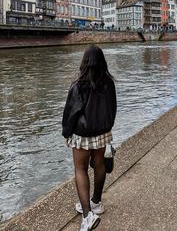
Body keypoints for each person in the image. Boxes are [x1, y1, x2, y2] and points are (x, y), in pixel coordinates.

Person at [62, 44, 117, 231]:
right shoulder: (109, 83)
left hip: (82, 134)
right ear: (102, 61)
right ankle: (96, 203)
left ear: (84, 62)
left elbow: (71, 112)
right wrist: (108, 127)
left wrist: (66, 132)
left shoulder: (79, 84)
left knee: (80, 168)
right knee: (99, 164)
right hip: (102, 132)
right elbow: (113, 109)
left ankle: (87, 216)